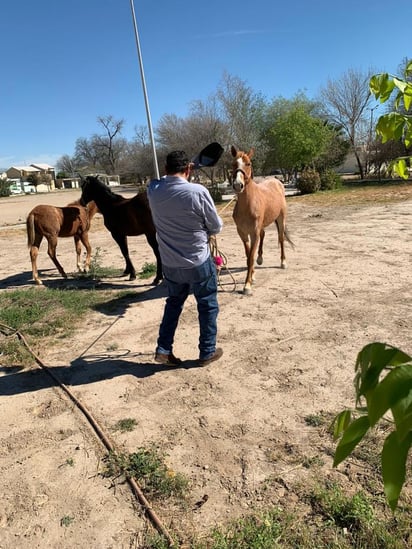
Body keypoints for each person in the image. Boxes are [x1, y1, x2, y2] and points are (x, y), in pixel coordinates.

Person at [147, 150, 224, 366]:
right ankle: (207, 352)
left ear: (165, 169)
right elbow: (215, 226)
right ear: (188, 169)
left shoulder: (153, 191)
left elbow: (156, 181)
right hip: (198, 261)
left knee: (173, 304)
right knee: (207, 304)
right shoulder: (198, 191)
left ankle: (163, 350)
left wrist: (186, 170)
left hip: (170, 264)